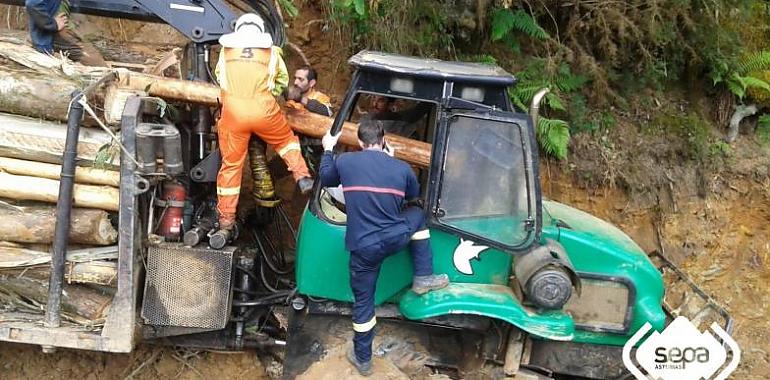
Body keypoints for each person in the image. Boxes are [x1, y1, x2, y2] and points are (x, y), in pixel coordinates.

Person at [318, 120, 449, 376]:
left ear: (359, 142)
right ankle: (423, 276)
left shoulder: (346, 162)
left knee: (364, 303)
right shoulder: (401, 168)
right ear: (384, 139)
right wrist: (392, 162)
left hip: (364, 247)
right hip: (395, 238)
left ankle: (364, 360)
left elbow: (326, 177)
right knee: (418, 214)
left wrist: (327, 149)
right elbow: (413, 196)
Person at [212, 13, 313, 241]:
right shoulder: (272, 53)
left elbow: (221, 78)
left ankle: (226, 220)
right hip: (263, 110)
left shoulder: (225, 51)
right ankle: (302, 176)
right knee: (286, 142)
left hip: (233, 114)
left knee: (231, 166)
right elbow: (279, 83)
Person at [25, 0, 107, 66]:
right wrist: (52, 24)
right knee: (99, 65)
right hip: (56, 32)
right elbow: (33, 3)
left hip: (62, 25)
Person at [360, 95, 432, 137]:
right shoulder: (365, 119)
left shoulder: (400, 122)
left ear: (390, 105)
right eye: (374, 98)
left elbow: (416, 113)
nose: (374, 104)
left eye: (381, 101)